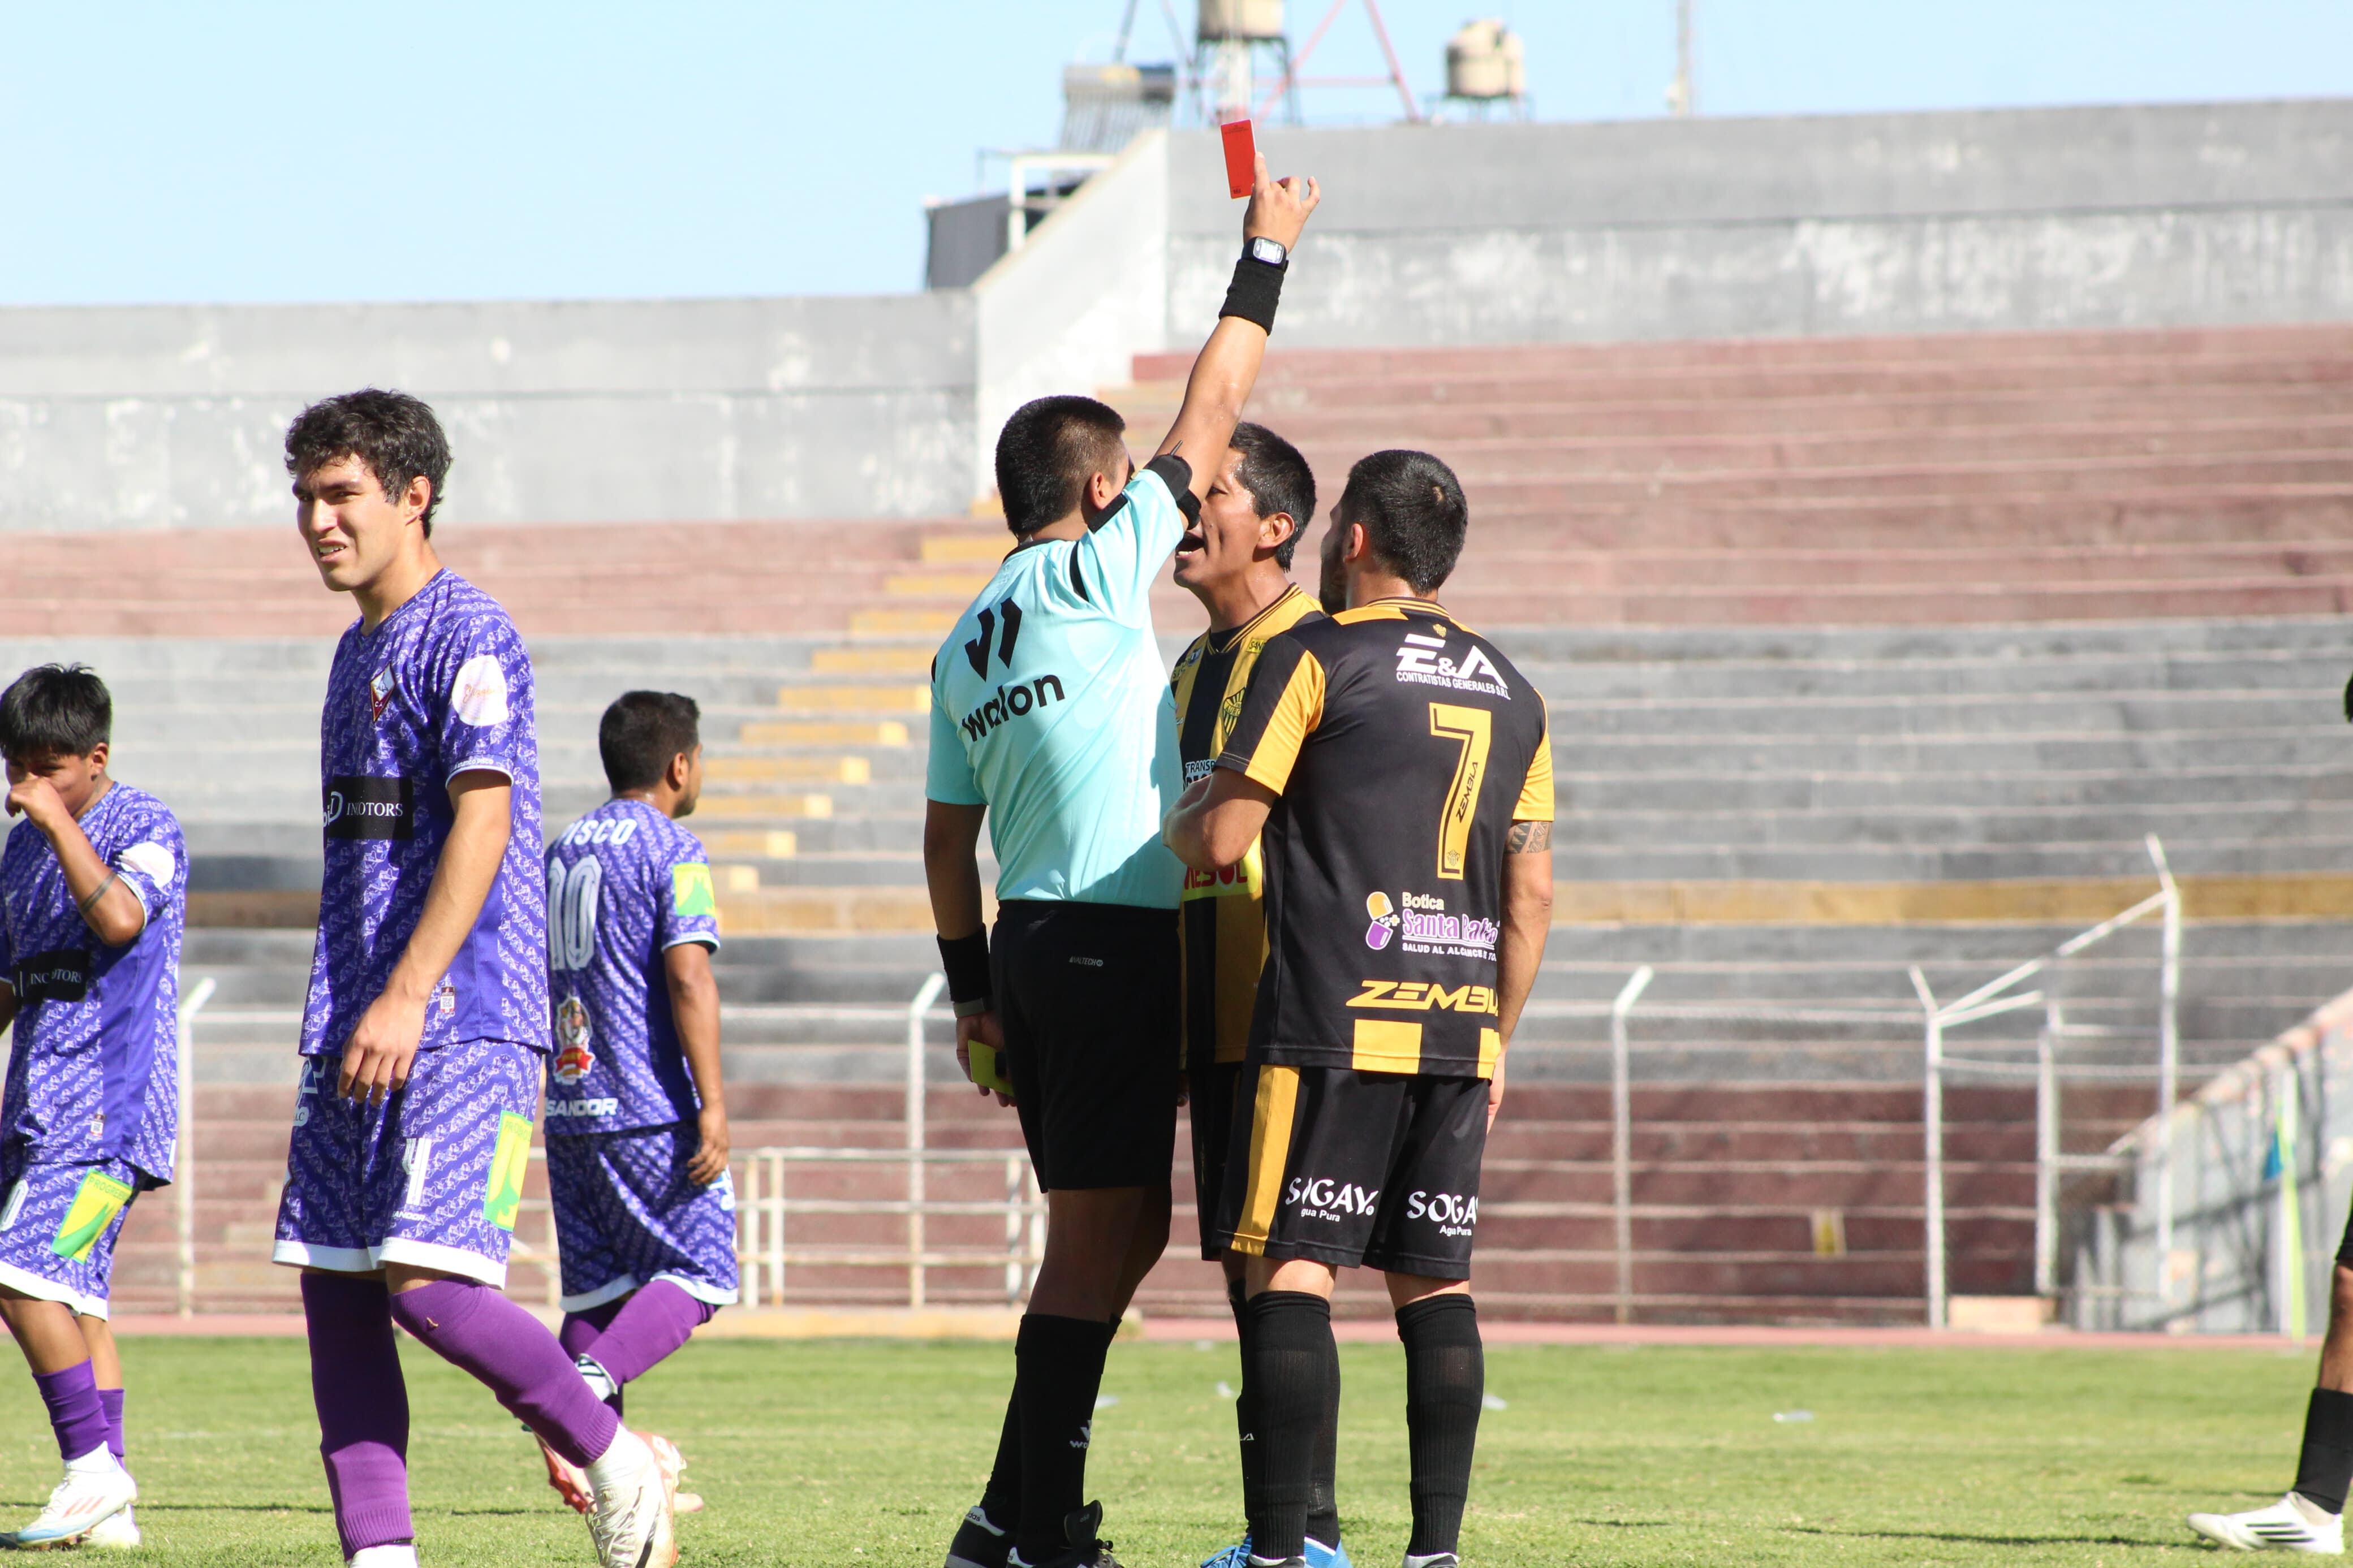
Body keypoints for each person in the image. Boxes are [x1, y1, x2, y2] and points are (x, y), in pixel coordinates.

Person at [927, 153, 1321, 1568]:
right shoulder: (1091, 569)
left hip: (1033, 945)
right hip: (1106, 937)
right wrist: (1263, 252)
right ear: (1102, 487)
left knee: (1114, 1233)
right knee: (1100, 1244)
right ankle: (1035, 1530)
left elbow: (942, 833)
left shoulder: (962, 634)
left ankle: (1005, 1514)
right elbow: (1211, 411)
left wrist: (970, 991)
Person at [268, 388, 676, 1568]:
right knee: (340, 1291)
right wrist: (363, 1003)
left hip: (464, 1016)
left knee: (426, 1285)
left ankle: (612, 1457)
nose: (318, 520)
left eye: (342, 495)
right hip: (353, 1018)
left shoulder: (470, 632)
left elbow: (484, 823)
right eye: (304, 498)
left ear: (414, 494)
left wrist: (407, 993)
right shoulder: (356, 655)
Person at [1164, 450, 1557, 1568]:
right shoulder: (1519, 690)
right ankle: (1434, 1554)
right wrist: (1495, 1037)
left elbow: (1227, 836)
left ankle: (1284, 1553)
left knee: (1289, 1267)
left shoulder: (1319, 656)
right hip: (1454, 1023)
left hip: (1329, 1013)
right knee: (1435, 1284)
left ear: (1350, 541)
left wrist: (1178, 816)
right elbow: (1531, 890)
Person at [1163, 425, 1348, 1568]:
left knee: (1284, 1274)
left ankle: (1309, 1534)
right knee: (1245, 1280)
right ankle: (1275, 1529)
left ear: (1273, 528)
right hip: (1210, 1010)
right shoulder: (1186, 669)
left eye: (1214, 489)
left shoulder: (1317, 650)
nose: (1188, 508)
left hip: (1292, 1007)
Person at [536, 690, 735, 1518]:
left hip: (572, 1107)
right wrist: (714, 1104)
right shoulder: (674, 847)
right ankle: (577, 1389)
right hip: (649, 1108)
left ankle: (605, 1476)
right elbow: (688, 973)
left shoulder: (560, 849)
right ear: (678, 765)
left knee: (597, 1296)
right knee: (703, 1271)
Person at [0, 663, 184, 1550]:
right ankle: (113, 1513)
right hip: (38, 1109)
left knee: (15, 1271)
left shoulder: (145, 825)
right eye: (14, 768)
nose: (25, 787)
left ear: (96, 756)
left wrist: (56, 817)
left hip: (109, 1110)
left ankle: (91, 1469)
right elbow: (11, 981)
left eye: (47, 767)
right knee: (79, 1301)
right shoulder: (23, 848)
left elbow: (119, 921)